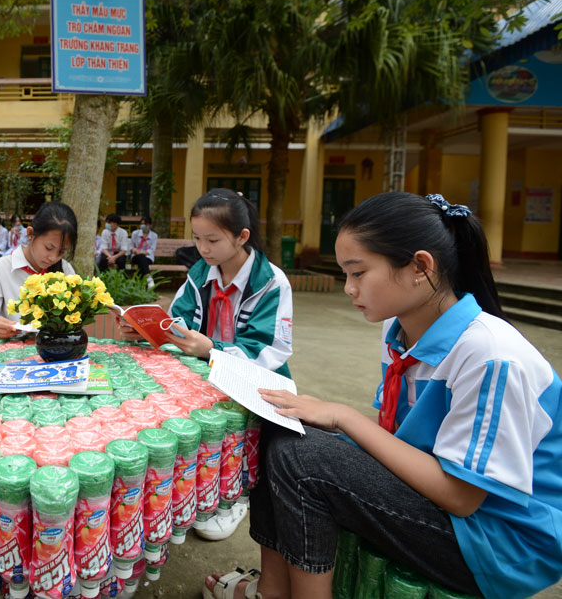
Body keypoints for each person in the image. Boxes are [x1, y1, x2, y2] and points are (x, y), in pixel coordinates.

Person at [206, 192, 562, 599]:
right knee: (279, 429)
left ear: (420, 267)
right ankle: (272, 590)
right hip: (449, 506)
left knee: (306, 459)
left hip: (497, 542)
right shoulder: (399, 331)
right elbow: (399, 438)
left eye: (358, 273)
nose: (348, 288)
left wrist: (343, 417)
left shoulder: (492, 356)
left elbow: (462, 497)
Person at [123, 188, 293, 541]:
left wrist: (210, 349)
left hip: (255, 384)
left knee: (238, 437)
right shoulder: (202, 271)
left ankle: (234, 495)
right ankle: (196, 489)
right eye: (198, 238)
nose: (203, 248)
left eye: (212, 239)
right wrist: (146, 329)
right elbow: (178, 322)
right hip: (206, 372)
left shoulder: (272, 282)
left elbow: (269, 352)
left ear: (242, 237)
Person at [0, 201, 78, 340]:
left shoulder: (66, 270)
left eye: (62, 251)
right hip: (10, 355)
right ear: (30, 234)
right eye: (48, 248)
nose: (53, 257)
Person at [129, 214, 159, 285]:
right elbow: (131, 246)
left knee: (142, 261)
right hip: (136, 257)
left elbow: (152, 250)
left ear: (150, 225)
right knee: (141, 258)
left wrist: (142, 252)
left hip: (148, 258)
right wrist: (134, 250)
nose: (143, 225)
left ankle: (138, 285)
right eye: (142, 224)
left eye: (145, 224)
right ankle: (148, 277)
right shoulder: (135, 233)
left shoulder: (154, 235)